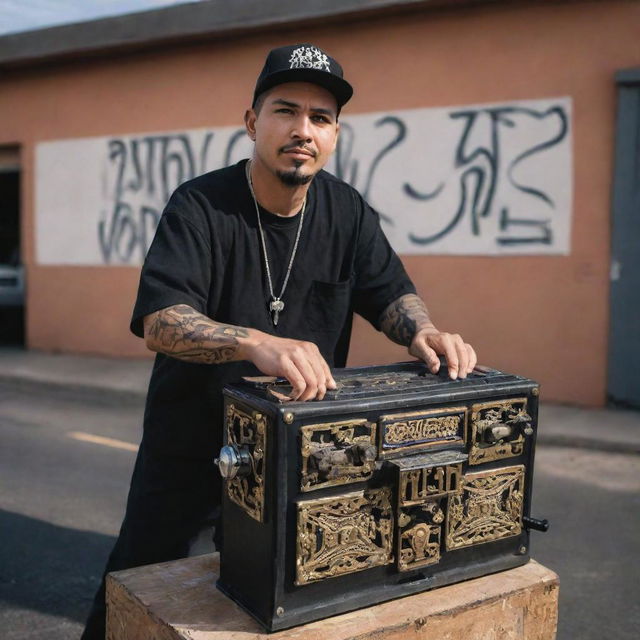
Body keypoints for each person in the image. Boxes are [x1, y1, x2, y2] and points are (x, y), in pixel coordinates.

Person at [81, 43, 476, 639]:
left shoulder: (348, 211)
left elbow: (391, 292)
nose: (302, 130)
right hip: (189, 440)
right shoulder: (200, 203)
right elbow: (160, 318)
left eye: (320, 118)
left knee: (273, 600)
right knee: (138, 586)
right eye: (285, 111)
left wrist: (423, 330)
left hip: (299, 447)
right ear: (252, 122)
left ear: (336, 133)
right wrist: (254, 342)